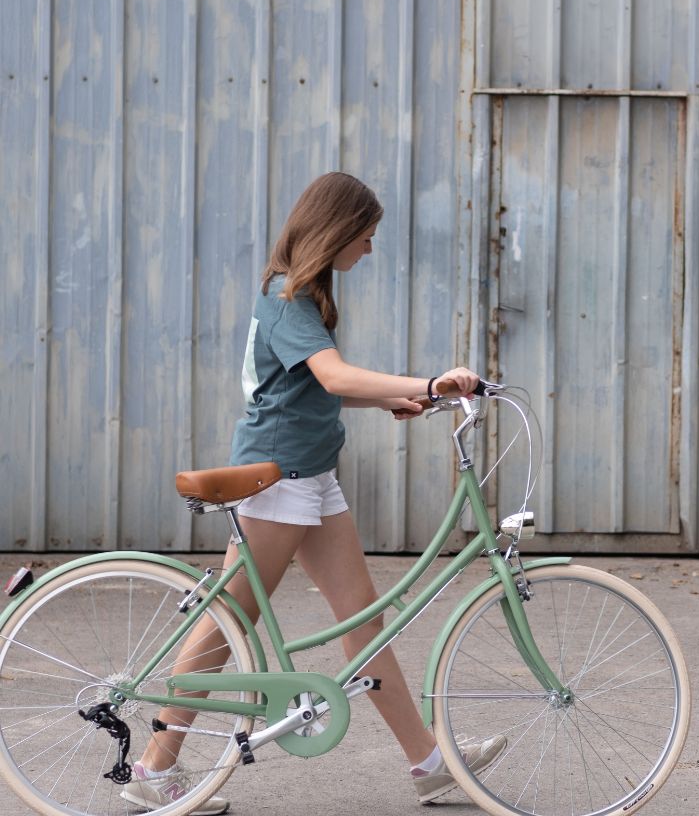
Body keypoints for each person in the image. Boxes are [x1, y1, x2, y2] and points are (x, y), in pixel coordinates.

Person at [123, 172, 505, 813]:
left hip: (312, 479)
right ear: (339, 230)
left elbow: (320, 387)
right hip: (279, 483)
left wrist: (403, 397)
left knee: (364, 623)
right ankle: (154, 767)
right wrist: (433, 381)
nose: (371, 249)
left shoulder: (306, 299)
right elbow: (330, 376)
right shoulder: (286, 297)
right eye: (367, 236)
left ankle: (428, 762)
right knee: (228, 625)